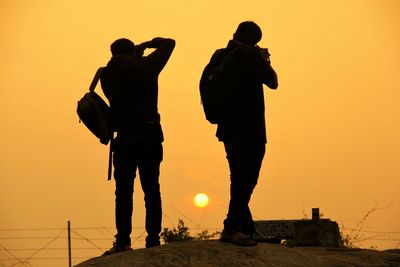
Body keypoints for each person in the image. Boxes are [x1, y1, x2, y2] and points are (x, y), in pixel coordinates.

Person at [201, 21, 278, 246]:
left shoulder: (220, 55)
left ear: (235, 33)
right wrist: (266, 60)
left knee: (239, 177)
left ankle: (247, 227)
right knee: (247, 179)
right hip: (250, 127)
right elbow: (273, 82)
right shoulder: (251, 56)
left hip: (228, 128)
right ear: (256, 41)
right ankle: (232, 228)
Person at [100, 36, 175, 255]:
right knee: (151, 189)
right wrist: (145, 46)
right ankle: (153, 239)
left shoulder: (106, 74)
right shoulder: (146, 67)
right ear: (132, 51)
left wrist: (134, 53)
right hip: (149, 135)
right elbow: (170, 43)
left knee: (123, 192)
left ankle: (123, 240)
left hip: (123, 139)